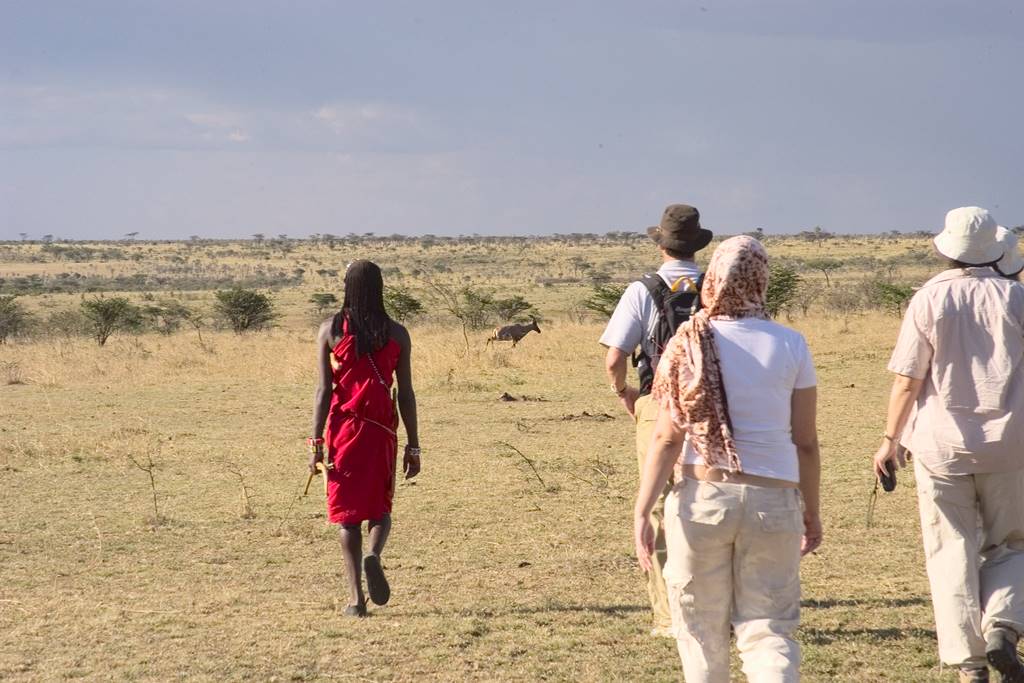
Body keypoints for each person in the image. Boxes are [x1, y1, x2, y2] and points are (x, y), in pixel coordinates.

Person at [634, 236, 822, 682]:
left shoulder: (687, 341)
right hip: (774, 501)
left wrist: (642, 510)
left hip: (702, 499)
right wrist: (811, 511)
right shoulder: (791, 344)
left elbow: (665, 438)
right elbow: (806, 442)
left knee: (700, 629)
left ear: (712, 280)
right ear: (762, 281)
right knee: (770, 629)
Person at [873, 207, 1024, 683]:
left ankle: (969, 663)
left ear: (946, 249)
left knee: (950, 550)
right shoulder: (1016, 297)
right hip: (1011, 447)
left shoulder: (928, 299)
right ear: (995, 251)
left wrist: (889, 440)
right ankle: (1003, 622)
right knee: (1012, 544)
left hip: (941, 447)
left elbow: (907, 381)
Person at [600, 203, 713, 637]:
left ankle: (670, 617)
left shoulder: (642, 289)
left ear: (661, 244)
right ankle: (715, 604)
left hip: (656, 403)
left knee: (661, 503)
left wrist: (624, 394)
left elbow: (615, 359)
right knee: (711, 500)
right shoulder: (715, 287)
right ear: (696, 244)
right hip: (713, 406)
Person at [308, 260, 421, 617]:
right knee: (380, 507)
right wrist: (414, 445)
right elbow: (406, 393)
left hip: (343, 432)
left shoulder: (330, 330)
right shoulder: (397, 333)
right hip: (381, 432)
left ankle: (356, 600)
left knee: (347, 517)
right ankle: (374, 553)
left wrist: (315, 444)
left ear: (347, 287)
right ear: (380, 288)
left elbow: (324, 391)